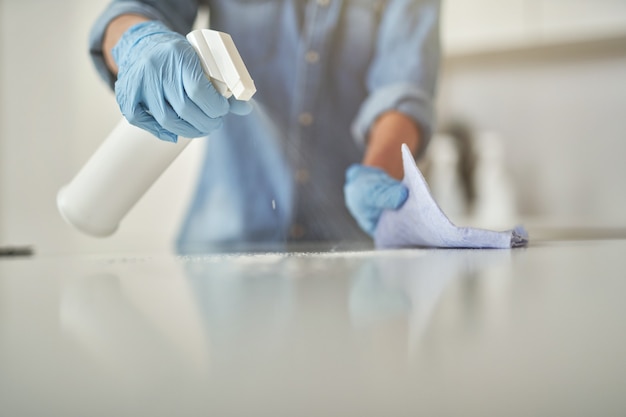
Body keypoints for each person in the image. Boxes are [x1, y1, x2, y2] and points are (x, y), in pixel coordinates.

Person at [89, 0, 441, 251]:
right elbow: (135, 8)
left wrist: (377, 172)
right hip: (223, 250)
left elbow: (403, 84)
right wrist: (138, 41)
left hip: (347, 246)